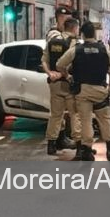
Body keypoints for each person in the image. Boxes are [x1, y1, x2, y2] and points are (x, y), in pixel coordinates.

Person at [57, 22, 110, 161]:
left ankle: (87, 151)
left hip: (83, 91)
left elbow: (59, 64)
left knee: (85, 121)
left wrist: (68, 76)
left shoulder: (76, 49)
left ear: (83, 34)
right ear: (94, 34)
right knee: (105, 120)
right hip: (100, 90)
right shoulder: (104, 49)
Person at [42, 14, 80, 156]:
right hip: (69, 84)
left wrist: (50, 73)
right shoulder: (74, 43)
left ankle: (51, 144)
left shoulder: (52, 41)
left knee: (55, 115)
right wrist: (63, 74)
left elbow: (44, 60)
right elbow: (71, 63)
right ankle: (79, 143)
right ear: (75, 28)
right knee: (74, 114)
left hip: (54, 84)